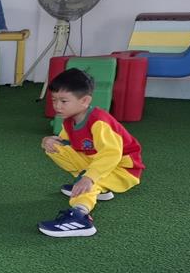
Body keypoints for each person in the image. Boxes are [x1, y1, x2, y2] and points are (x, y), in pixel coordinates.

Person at [38, 68, 144, 238]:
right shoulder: (69, 120)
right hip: (100, 162)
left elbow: (111, 154)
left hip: (123, 169)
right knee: (55, 147)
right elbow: (65, 142)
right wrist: (47, 140)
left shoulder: (99, 122)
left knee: (88, 180)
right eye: (54, 100)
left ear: (85, 101)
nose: (57, 106)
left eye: (64, 101)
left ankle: (80, 218)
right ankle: (98, 187)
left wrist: (89, 177)